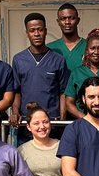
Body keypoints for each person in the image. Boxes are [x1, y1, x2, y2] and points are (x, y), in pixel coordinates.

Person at [11, 13, 69, 143]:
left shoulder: (58, 60)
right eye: (32, 30)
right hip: (27, 123)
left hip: (52, 123)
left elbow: (63, 92)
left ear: (45, 31)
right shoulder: (19, 59)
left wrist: (62, 118)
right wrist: (15, 112)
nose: (36, 34)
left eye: (40, 29)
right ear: (27, 33)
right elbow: (17, 91)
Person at [48, 3, 87, 72]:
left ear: (78, 20)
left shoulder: (89, 47)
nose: (67, 22)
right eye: (63, 19)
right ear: (58, 22)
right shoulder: (50, 48)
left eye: (71, 18)